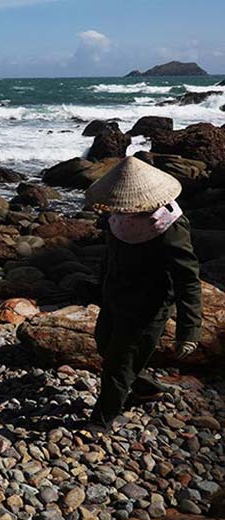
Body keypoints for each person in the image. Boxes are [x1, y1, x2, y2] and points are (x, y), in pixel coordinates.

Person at [84, 157, 202, 431]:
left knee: (119, 362)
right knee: (104, 343)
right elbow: (111, 258)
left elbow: (188, 279)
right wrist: (97, 287)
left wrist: (189, 330)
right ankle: (145, 388)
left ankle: (101, 420)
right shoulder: (119, 216)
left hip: (148, 304)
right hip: (116, 295)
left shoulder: (169, 227)